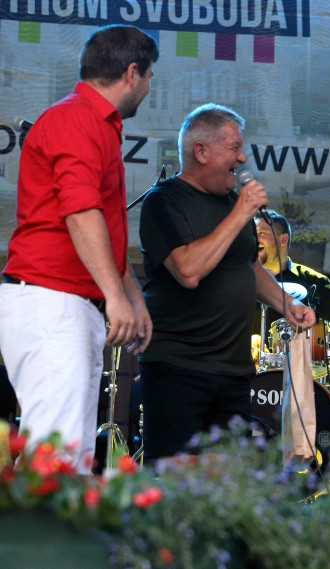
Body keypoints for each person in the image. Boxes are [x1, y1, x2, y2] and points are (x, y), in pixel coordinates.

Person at [0, 25, 158, 474]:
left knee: (68, 457)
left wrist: (131, 296)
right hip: (51, 301)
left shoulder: (95, 123)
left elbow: (102, 226)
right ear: (131, 72)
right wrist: (115, 296)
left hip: (65, 304)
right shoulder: (76, 118)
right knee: (55, 461)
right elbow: (81, 212)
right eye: (150, 77)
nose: (150, 88)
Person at [138, 104, 316, 461]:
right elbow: (188, 271)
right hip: (178, 368)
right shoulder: (163, 202)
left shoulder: (233, 202)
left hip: (232, 371)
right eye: (234, 147)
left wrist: (287, 304)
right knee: (174, 476)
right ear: (201, 151)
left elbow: (248, 265)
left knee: (226, 480)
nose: (242, 157)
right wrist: (240, 214)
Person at [254, 213, 330, 368]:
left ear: (283, 240)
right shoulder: (240, 281)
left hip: (301, 376)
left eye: (261, 233)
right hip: (247, 378)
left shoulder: (313, 281)